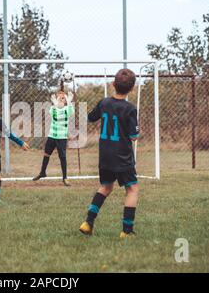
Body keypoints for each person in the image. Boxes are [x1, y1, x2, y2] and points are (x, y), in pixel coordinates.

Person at [79, 68, 140, 238]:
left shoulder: (104, 103)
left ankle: (88, 222)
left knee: (105, 187)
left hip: (105, 155)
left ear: (113, 84)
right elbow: (134, 137)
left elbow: (91, 117)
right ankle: (127, 231)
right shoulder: (130, 109)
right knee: (132, 189)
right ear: (132, 88)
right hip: (122, 157)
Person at [33, 90, 74, 186]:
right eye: (59, 97)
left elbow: (70, 111)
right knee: (46, 154)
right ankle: (43, 172)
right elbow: (53, 113)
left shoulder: (67, 109)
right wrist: (56, 103)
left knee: (62, 157)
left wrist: (69, 101)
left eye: (63, 97)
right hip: (52, 136)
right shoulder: (53, 108)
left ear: (65, 100)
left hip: (62, 137)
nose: (60, 99)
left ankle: (65, 178)